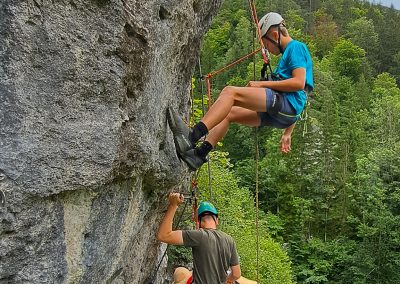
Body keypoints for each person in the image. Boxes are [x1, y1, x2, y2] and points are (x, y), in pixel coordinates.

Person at [167, 12, 314, 171]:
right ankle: (199, 155)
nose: (266, 48)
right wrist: (287, 132)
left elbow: (299, 83)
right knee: (229, 113)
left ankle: (191, 136)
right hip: (285, 114)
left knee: (230, 92)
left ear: (274, 34)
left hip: (284, 105)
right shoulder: (288, 54)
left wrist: (260, 85)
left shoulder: (296, 47)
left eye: (265, 43)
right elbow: (301, 96)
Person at [156, 193, 241, 284]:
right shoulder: (229, 240)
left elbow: (163, 235)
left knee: (179, 271)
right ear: (216, 220)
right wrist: (227, 279)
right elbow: (236, 274)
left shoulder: (198, 236)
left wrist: (173, 205)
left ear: (199, 221)